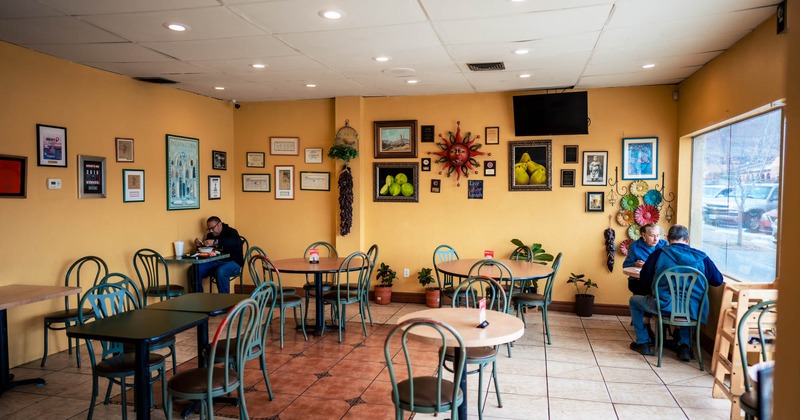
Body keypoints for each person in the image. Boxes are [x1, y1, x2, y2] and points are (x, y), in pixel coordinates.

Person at [628, 225, 723, 361]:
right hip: (693, 309)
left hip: (663, 306)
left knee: (634, 301)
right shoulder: (702, 258)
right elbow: (718, 280)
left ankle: (643, 342)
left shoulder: (658, 254)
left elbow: (644, 281)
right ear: (688, 239)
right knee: (687, 303)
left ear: (668, 238)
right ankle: (684, 346)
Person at [192, 216, 243, 294]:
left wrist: (216, 242)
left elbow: (235, 242)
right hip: (215, 262)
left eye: (213, 228)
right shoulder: (210, 235)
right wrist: (200, 246)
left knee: (221, 271)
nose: (211, 231)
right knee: (196, 268)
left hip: (234, 262)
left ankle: (225, 302)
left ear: (220, 224)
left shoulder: (231, 232)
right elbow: (207, 251)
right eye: (209, 229)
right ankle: (198, 298)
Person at [623, 223, 667, 295]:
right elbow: (626, 265)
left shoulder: (664, 245)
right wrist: (635, 264)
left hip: (659, 279)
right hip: (640, 280)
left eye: (658, 235)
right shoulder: (634, 246)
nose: (656, 239)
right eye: (652, 236)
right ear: (644, 235)